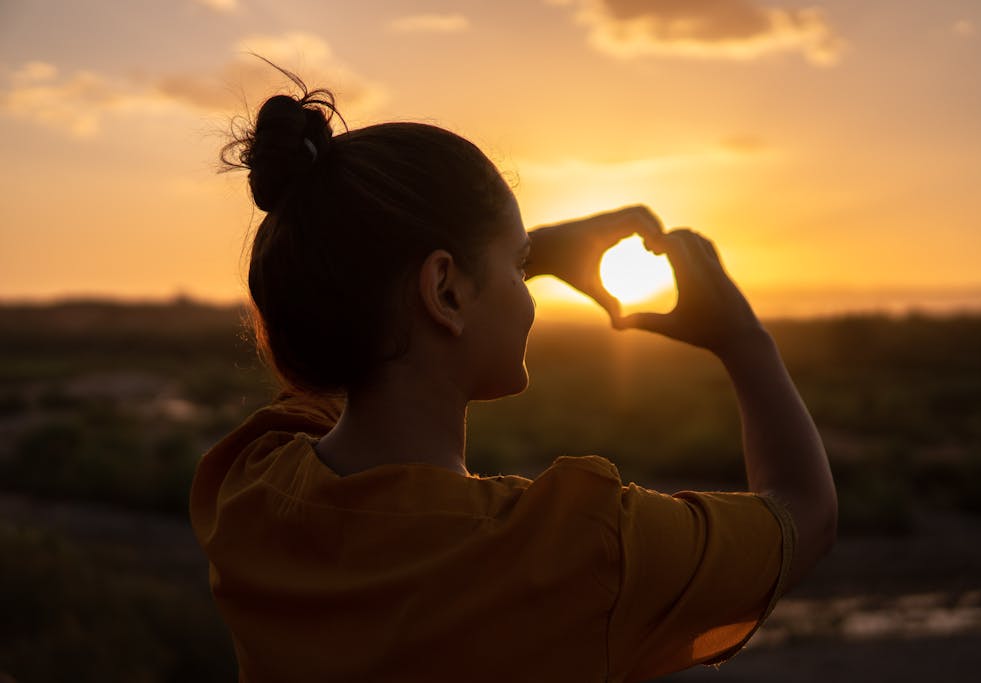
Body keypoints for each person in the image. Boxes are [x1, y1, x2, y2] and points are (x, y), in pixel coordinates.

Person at [190, 70, 837, 683]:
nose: (527, 290)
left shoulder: (250, 488)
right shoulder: (578, 546)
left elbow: (340, 333)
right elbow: (803, 513)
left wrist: (510, 256)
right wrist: (744, 340)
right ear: (443, 289)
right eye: (518, 264)